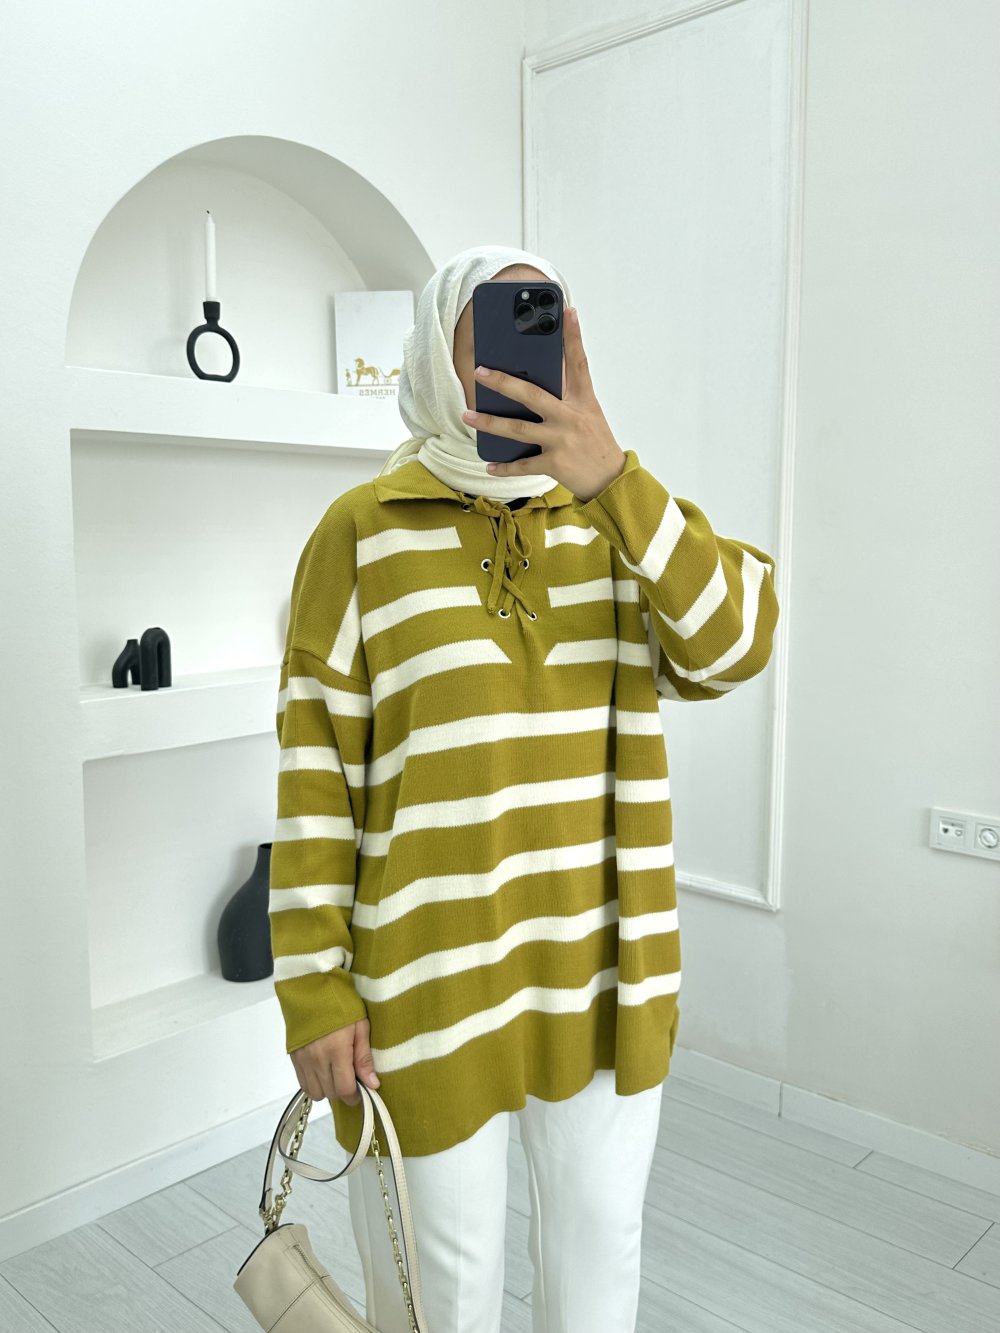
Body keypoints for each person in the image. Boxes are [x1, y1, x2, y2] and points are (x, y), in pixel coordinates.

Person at [269, 245, 780, 1332]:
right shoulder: (360, 533)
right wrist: (313, 989)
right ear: (435, 354)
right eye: (492, 333)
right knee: (437, 1295)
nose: (517, 364)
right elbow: (315, 776)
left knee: (598, 1269)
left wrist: (616, 480)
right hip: (425, 987)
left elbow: (737, 644)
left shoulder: (617, 521)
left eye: (540, 326)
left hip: (603, 976)